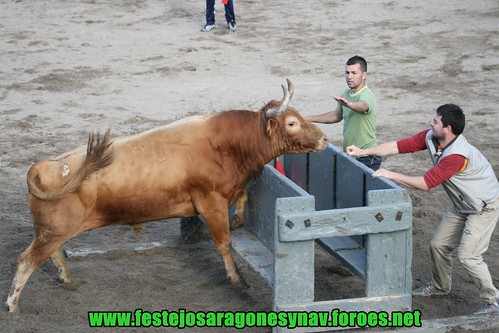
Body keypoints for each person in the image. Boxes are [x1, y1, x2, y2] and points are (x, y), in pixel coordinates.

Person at [347, 104, 499, 314]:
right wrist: (364, 151)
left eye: (436, 121)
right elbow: (398, 146)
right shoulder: (431, 137)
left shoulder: (457, 156)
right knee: (438, 245)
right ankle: (440, 285)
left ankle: (493, 302)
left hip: (484, 207)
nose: (431, 122)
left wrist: (391, 174)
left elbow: (425, 184)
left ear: (447, 128)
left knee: (468, 256)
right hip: (463, 204)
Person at [307, 55, 381, 170]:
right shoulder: (346, 94)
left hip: (366, 156)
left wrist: (351, 105)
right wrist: (306, 119)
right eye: (347, 73)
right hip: (351, 154)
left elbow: (363, 105)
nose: (349, 77)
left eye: (354, 73)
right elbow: (336, 116)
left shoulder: (366, 95)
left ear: (364, 75)